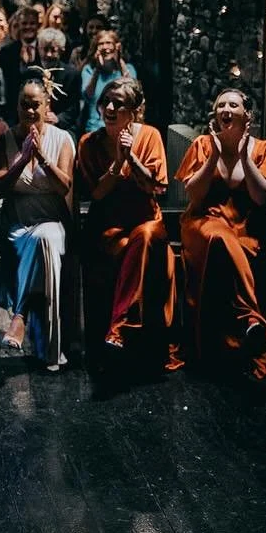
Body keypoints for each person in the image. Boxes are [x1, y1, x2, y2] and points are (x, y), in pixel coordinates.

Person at [176, 89, 266, 381]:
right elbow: (194, 196)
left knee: (254, 243)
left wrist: (245, 157)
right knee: (219, 237)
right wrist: (213, 155)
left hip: (248, 225)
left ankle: (246, 334)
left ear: (247, 115)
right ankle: (250, 318)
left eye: (233, 105)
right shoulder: (202, 145)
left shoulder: (263, 149)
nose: (226, 109)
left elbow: (263, 198)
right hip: (206, 221)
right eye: (220, 105)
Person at [75, 78, 180, 375]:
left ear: (134, 110)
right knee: (126, 246)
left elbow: (155, 188)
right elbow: (95, 193)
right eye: (105, 101)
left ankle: (120, 325)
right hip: (110, 225)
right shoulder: (89, 143)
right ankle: (120, 331)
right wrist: (116, 163)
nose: (109, 107)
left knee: (146, 237)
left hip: (146, 220)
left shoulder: (150, 136)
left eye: (118, 103)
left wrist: (131, 157)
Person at [0, 71, 76, 370]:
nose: (29, 111)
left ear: (46, 105)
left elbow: (64, 186)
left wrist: (40, 156)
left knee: (47, 238)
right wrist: (21, 159)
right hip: (17, 225)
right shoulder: (5, 140)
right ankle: (50, 350)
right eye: (23, 104)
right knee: (40, 243)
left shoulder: (62, 139)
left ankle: (20, 316)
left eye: (35, 105)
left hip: (51, 220)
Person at [78, 30, 138, 134]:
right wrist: (97, 69)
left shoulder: (128, 69)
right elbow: (88, 95)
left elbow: (133, 92)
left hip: (122, 128)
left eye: (109, 43)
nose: (105, 47)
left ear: (116, 46)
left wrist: (119, 61)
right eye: (101, 44)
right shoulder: (89, 70)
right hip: (95, 128)